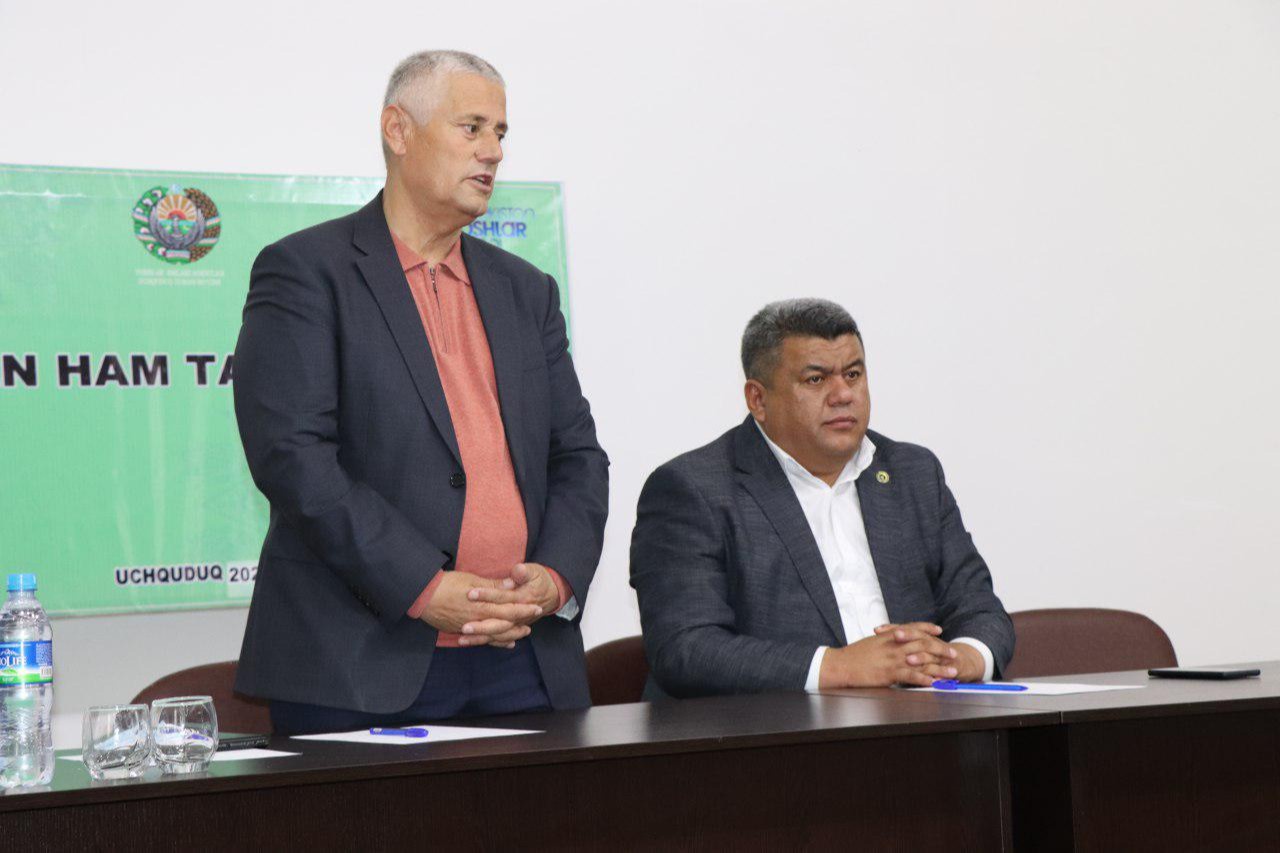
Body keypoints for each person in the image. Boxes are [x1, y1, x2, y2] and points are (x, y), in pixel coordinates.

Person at [232, 50, 608, 733]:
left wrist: (554, 579)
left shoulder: (526, 290)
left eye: (501, 133)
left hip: (525, 656)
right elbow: (293, 456)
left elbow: (578, 455)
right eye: (472, 128)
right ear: (398, 130)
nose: (493, 151)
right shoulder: (307, 272)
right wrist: (423, 587)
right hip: (361, 662)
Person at [630, 298, 1012, 697]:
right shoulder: (693, 490)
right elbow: (686, 648)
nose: (843, 394)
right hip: (780, 729)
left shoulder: (913, 473)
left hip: (922, 717)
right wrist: (839, 667)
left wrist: (960, 658)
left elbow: (980, 607)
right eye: (816, 380)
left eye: (853, 374)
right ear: (758, 399)